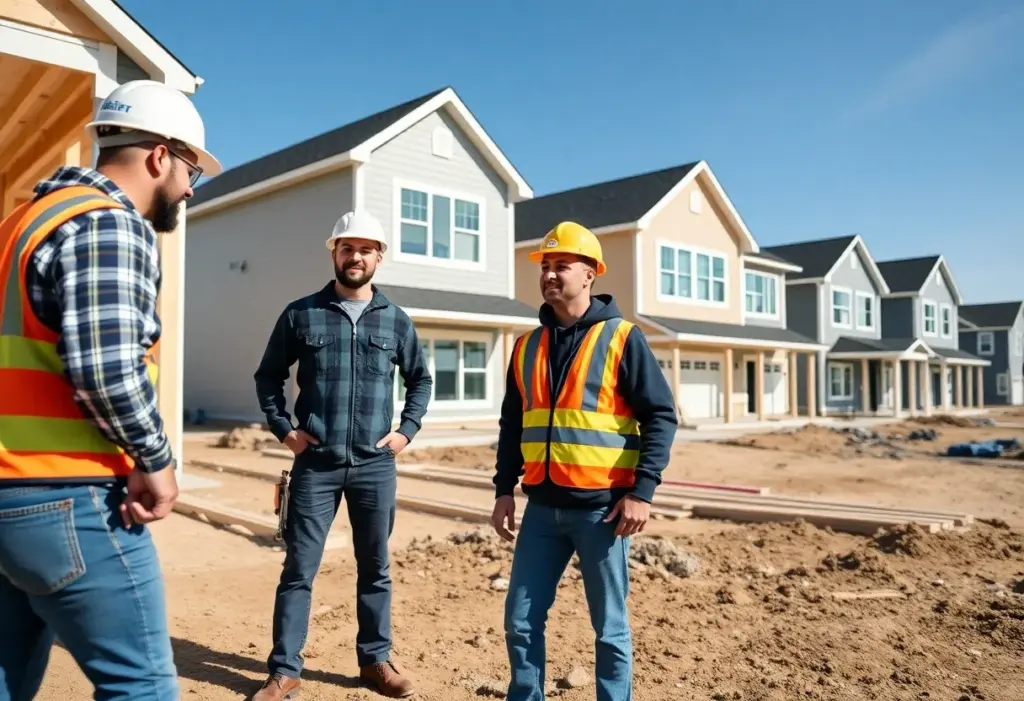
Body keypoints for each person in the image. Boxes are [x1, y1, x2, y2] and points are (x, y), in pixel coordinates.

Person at [0, 80, 221, 699]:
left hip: (8, 496)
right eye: (190, 173)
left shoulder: (20, 222)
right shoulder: (108, 225)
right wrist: (156, 460)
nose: (185, 190)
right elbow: (106, 368)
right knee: (142, 685)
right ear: (159, 156)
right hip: (63, 494)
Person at [490, 221, 678, 701]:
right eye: (545, 267)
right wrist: (502, 490)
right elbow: (513, 425)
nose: (550, 275)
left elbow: (660, 416)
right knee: (520, 620)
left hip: (603, 512)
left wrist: (642, 492)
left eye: (561, 266)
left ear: (590, 274)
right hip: (541, 512)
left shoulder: (622, 337)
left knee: (609, 628)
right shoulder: (526, 346)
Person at [251, 210, 432, 700]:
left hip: (376, 465)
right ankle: (284, 670)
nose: (356, 257)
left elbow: (421, 379)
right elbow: (268, 377)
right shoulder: (300, 313)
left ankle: (375, 662)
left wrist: (406, 431)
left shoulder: (396, 320)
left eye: (366, 249)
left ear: (379, 257)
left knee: (375, 566)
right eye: (347, 248)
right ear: (334, 252)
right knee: (298, 569)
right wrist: (286, 430)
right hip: (317, 465)